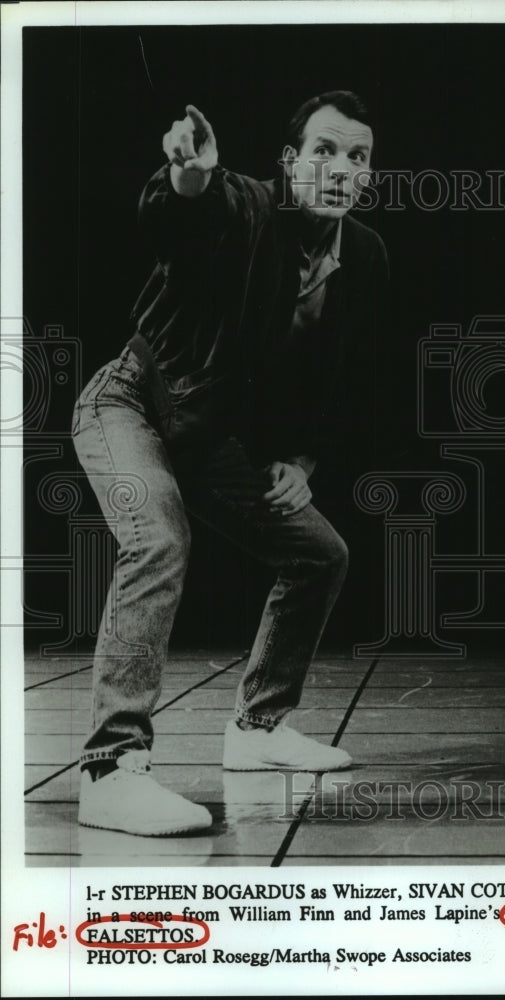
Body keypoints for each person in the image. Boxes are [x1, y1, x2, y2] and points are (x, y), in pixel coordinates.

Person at [72, 90, 388, 836]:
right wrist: (189, 174)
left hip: (208, 439)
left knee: (320, 554)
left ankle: (257, 728)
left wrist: (301, 459)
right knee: (158, 539)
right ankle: (110, 768)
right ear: (289, 162)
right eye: (323, 150)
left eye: (357, 157)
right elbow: (184, 214)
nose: (339, 169)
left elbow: (342, 378)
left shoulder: (364, 256)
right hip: (130, 403)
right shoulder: (247, 206)